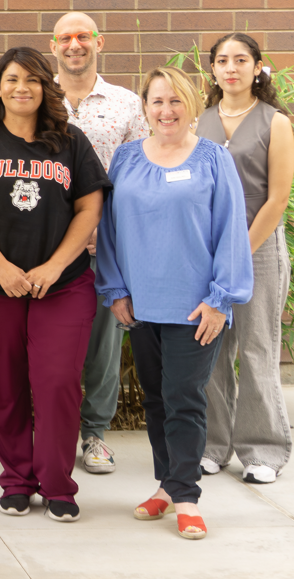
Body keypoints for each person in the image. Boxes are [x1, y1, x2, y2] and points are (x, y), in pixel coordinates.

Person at [0, 46, 110, 523]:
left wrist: (55, 266)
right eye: (12, 78)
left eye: (33, 79)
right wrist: (0, 267)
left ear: (46, 87)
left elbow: (89, 208)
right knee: (4, 388)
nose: (22, 87)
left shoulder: (70, 141)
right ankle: (17, 480)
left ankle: (58, 484)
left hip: (61, 285)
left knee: (58, 382)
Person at [95, 66, 253, 540]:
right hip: (142, 305)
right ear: (144, 108)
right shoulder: (124, 159)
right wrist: (115, 289)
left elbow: (231, 233)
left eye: (175, 101)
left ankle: (185, 496)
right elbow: (108, 231)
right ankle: (167, 486)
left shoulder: (212, 159)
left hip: (195, 307)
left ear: (192, 105)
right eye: (157, 102)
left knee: (185, 399)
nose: (166, 111)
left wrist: (220, 300)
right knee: (158, 399)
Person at [47, 12, 151, 476]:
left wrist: (109, 227)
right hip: (46, 247)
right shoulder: (34, 99)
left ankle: (95, 436)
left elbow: (141, 175)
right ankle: (53, 432)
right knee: (52, 345)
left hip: (107, 245)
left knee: (105, 346)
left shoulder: (127, 104)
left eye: (83, 36)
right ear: (53, 46)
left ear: (99, 42)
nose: (74, 44)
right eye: (65, 38)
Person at [197, 33, 294, 485]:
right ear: (213, 70)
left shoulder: (275, 122)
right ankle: (213, 446)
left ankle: (264, 451)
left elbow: (277, 200)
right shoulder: (200, 121)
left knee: (257, 349)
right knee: (210, 349)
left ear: (258, 67)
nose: (231, 67)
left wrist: (239, 251)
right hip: (208, 251)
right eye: (223, 60)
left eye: (241, 59)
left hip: (258, 250)